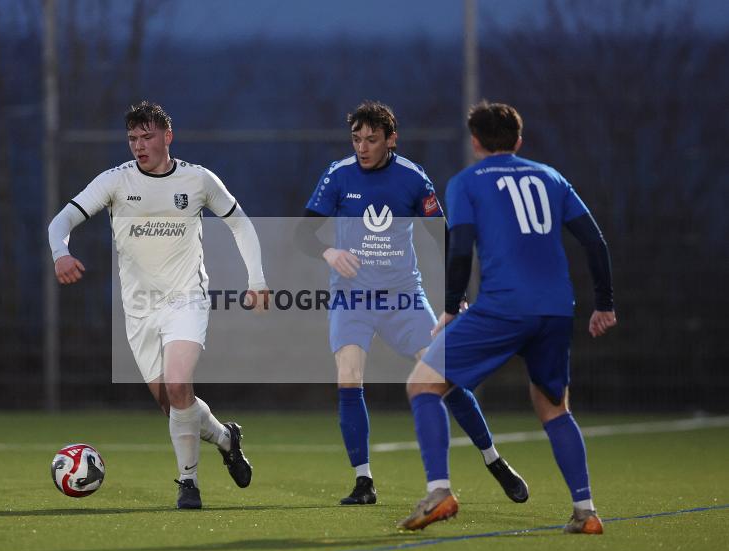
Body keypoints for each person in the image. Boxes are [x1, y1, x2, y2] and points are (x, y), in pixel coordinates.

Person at [398, 101, 616, 533]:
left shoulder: (466, 182)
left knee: (423, 383)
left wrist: (450, 304)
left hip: (502, 306)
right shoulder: (551, 177)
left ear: (475, 141)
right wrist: (604, 303)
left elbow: (460, 248)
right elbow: (594, 241)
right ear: (518, 140)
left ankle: (439, 492)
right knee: (554, 408)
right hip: (555, 309)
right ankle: (585, 511)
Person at [296, 100, 528, 506]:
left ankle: (495, 461)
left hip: (404, 298)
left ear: (391, 140)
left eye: (371, 139)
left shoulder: (412, 179)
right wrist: (328, 253)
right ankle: (364, 483)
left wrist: (457, 297)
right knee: (348, 378)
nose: (362, 147)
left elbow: (446, 239)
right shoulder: (338, 175)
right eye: (356, 139)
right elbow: (303, 235)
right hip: (352, 299)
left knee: (444, 377)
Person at [48, 101, 269, 510]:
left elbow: (240, 222)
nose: (139, 145)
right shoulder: (115, 181)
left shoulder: (198, 179)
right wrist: (60, 252)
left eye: (147, 136)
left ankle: (188, 483)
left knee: (178, 385)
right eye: (133, 138)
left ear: (168, 136)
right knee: (172, 405)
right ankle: (225, 438)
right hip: (139, 309)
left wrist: (256, 280)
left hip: (187, 298)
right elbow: (60, 221)